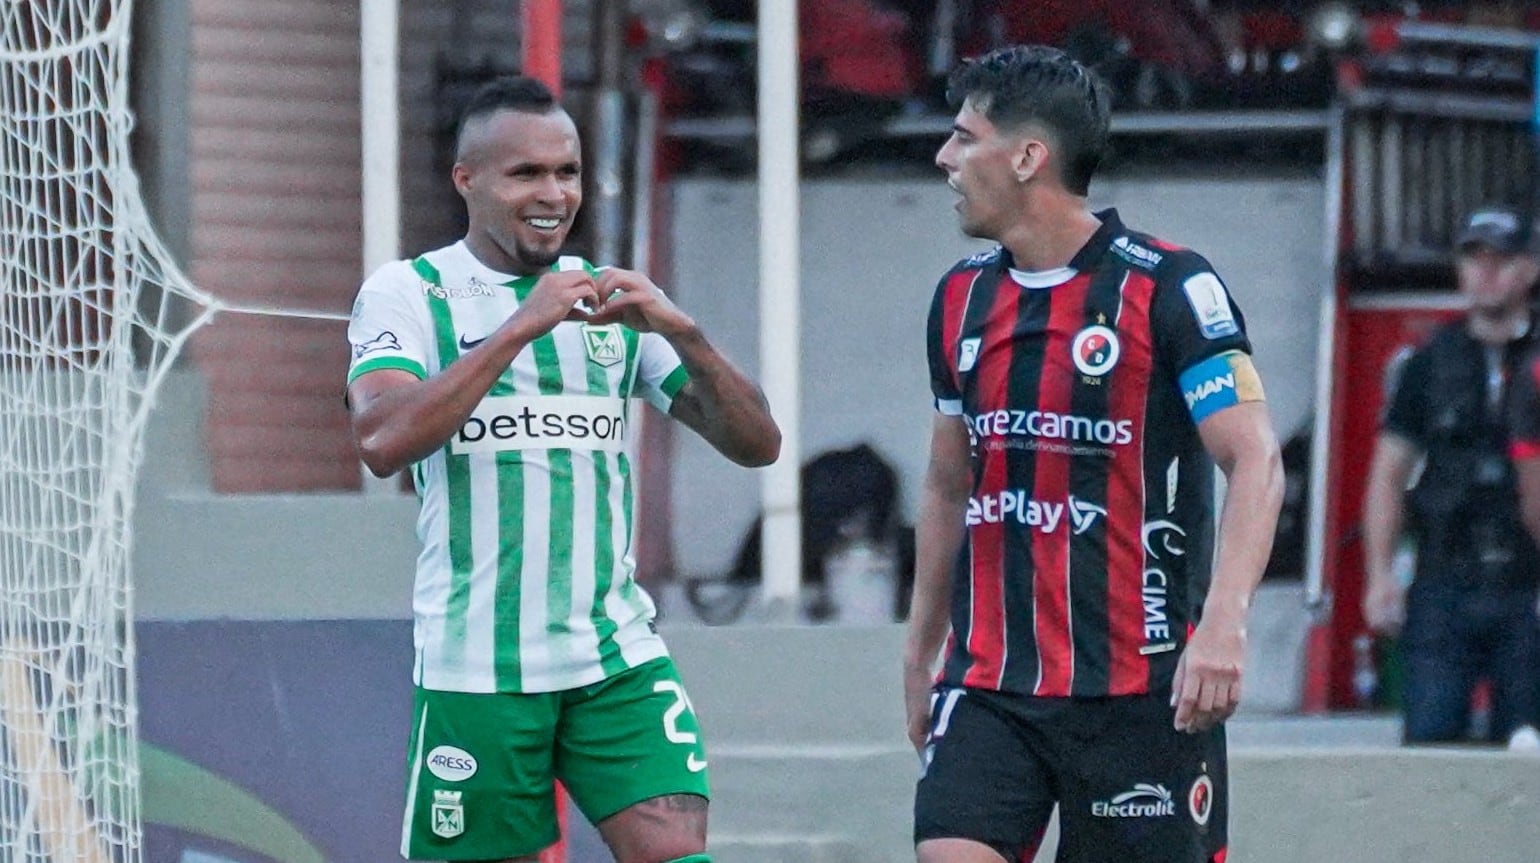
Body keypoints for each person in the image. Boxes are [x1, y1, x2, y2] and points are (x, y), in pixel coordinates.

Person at [344, 75, 780, 863]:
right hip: (478, 666)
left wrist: (683, 333)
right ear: (467, 179)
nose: (554, 194)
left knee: (677, 849)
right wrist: (518, 329)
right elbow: (381, 441)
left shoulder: (608, 303)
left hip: (614, 654)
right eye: (526, 174)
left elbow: (757, 443)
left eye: (567, 172)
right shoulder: (409, 292)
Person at [902, 45, 1283, 863]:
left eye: (964, 137)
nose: (944, 158)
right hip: (991, 683)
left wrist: (1223, 626)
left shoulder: (1172, 287)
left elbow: (1256, 459)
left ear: (1028, 157)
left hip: (1139, 691)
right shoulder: (960, 296)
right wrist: (919, 643)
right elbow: (947, 482)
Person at [1363, 205, 1540, 746]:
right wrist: (1380, 575)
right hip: (1446, 578)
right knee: (1430, 744)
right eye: (1473, 260)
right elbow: (1388, 474)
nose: (1485, 274)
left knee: (1527, 746)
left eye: (1500, 261)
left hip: (1527, 580)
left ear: (1529, 268)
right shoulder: (1429, 363)